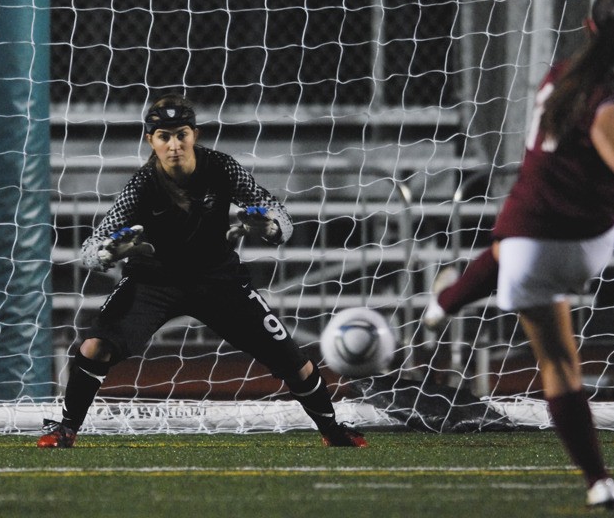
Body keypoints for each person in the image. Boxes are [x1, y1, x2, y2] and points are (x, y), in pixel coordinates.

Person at [423, 0, 614, 509]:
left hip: (528, 241)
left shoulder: (558, 77)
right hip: (589, 243)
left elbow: (596, 129)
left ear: (587, 27)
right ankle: (444, 301)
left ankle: (598, 480)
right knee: (520, 264)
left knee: (558, 362)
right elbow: (606, 128)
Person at [38, 94, 367, 449]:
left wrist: (269, 227)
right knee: (94, 347)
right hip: (154, 282)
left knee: (293, 361)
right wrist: (108, 252)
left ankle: (333, 432)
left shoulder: (222, 168)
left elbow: (279, 217)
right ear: (151, 140)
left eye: (181, 134)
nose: (174, 145)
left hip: (219, 280)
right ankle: (66, 429)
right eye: (164, 136)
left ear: (194, 134)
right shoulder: (141, 186)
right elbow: (90, 249)